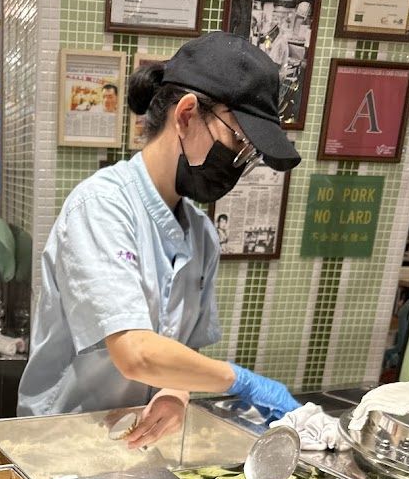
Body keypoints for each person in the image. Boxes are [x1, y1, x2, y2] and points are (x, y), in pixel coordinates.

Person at [17, 31, 301, 448]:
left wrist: (175, 392)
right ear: (186, 115)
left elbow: (178, 351)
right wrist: (240, 380)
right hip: (63, 437)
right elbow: (137, 353)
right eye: (238, 142)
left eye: (248, 155)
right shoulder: (102, 206)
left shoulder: (201, 235)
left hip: (134, 445)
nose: (240, 164)